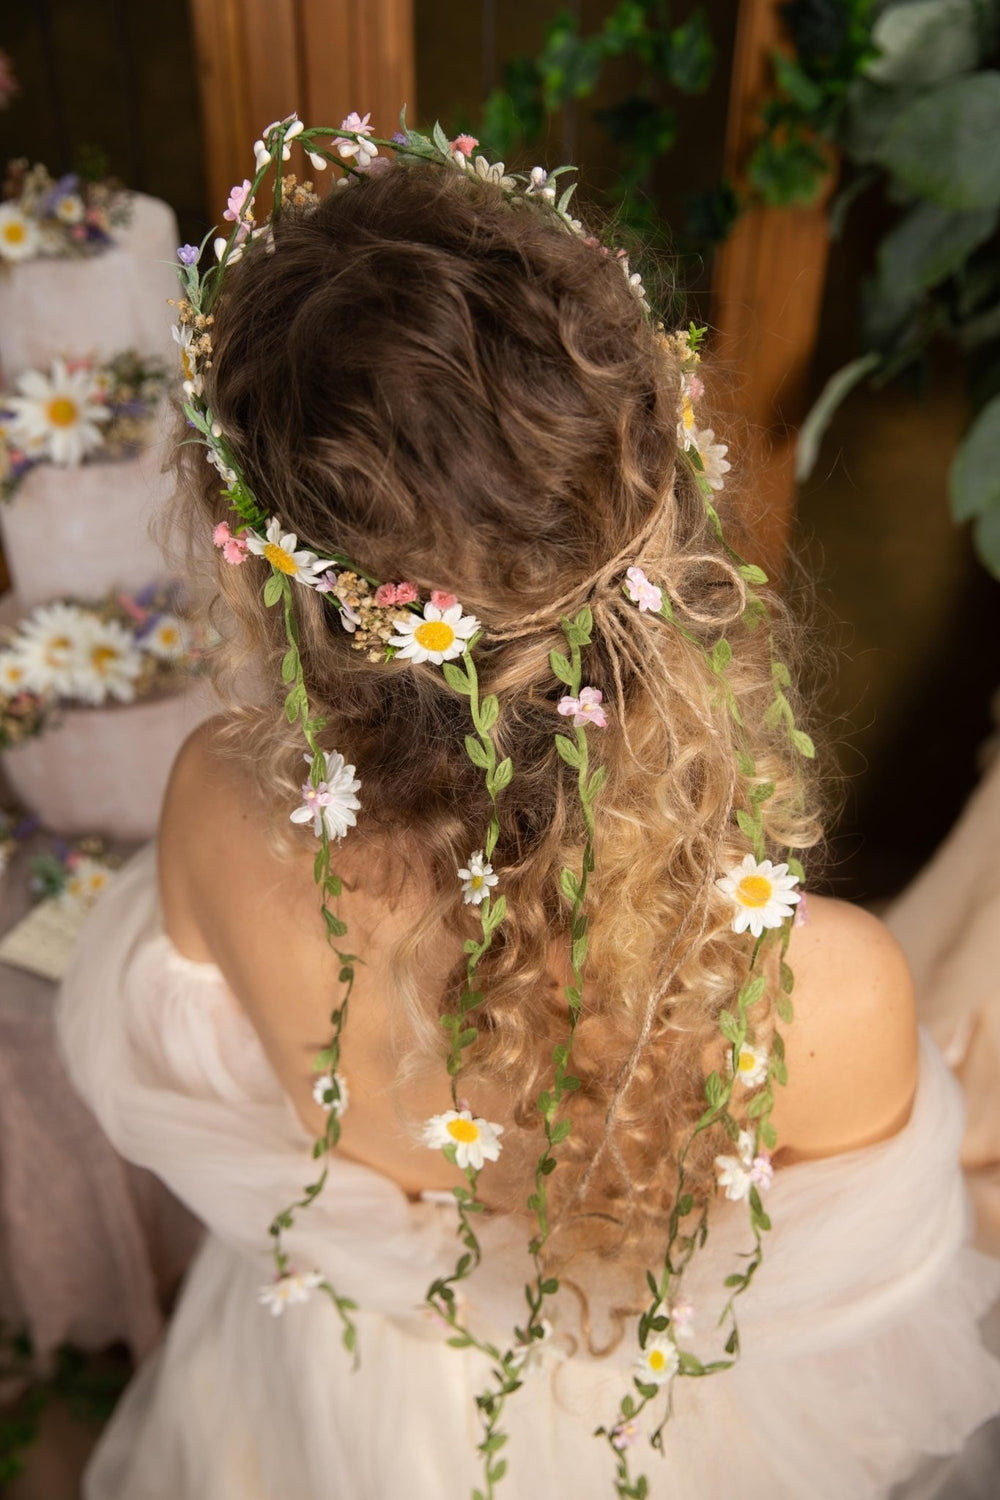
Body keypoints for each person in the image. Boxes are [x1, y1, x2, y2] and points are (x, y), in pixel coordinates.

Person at [57, 116, 1000, 1500]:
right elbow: (852, 1365)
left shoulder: (211, 804)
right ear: (667, 510)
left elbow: (199, 1096)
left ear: (269, 578)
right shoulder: (818, 992)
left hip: (323, 1389)